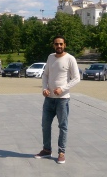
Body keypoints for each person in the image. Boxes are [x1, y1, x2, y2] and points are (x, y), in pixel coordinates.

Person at [34, 35, 80, 164]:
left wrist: (63, 88)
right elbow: (45, 75)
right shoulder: (50, 57)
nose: (58, 46)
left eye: (61, 44)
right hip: (49, 99)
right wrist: (44, 88)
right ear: (53, 45)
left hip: (62, 99)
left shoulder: (70, 59)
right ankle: (47, 150)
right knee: (45, 125)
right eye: (56, 44)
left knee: (63, 126)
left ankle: (61, 152)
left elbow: (77, 78)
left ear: (65, 45)